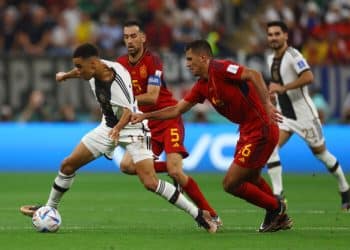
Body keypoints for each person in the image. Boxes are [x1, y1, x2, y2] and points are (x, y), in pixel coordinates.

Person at [19, 43, 217, 233]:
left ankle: (197, 214)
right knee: (67, 165)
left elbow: (129, 110)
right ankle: (49, 208)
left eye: (79, 67)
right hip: (108, 126)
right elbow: (80, 72)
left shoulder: (117, 80)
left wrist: (117, 131)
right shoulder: (92, 68)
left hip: (133, 129)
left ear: (94, 64)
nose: (78, 70)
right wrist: (66, 76)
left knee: (150, 182)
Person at [131, 39, 293, 233]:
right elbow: (176, 110)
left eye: (190, 59)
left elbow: (253, 74)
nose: (187, 64)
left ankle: (276, 208)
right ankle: (279, 216)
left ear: (203, 57)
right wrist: (145, 115)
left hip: (261, 129)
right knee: (251, 177)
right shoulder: (201, 86)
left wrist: (266, 103)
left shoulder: (220, 68)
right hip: (247, 130)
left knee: (230, 184)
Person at [116, 20, 221, 225]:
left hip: (168, 118)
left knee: (175, 171)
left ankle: (211, 213)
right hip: (146, 126)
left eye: (133, 36)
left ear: (143, 38)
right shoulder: (120, 64)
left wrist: (125, 100)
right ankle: (173, 170)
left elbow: (153, 97)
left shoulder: (153, 61)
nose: (129, 40)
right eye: (126, 37)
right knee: (127, 166)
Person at [265, 20, 350, 210]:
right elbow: (277, 85)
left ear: (286, 35)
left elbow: (308, 76)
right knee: (269, 147)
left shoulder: (294, 56)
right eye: (270, 34)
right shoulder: (270, 59)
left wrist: (283, 88)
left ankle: (345, 188)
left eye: (277, 34)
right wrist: (273, 95)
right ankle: (278, 196)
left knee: (322, 155)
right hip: (284, 116)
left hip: (304, 116)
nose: (273, 38)